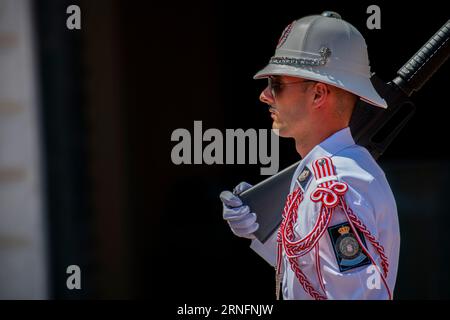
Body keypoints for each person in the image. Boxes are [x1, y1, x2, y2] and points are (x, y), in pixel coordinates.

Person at [219, 11, 400, 300]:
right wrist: (262, 229)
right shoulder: (321, 173)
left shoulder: (335, 186)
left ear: (318, 94)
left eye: (276, 84)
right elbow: (315, 276)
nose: (264, 95)